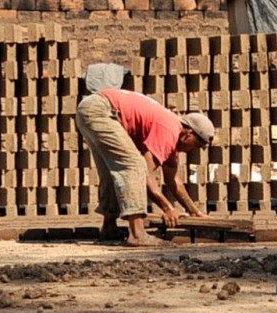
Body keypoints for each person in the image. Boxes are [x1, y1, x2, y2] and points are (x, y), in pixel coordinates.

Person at [75, 88, 214, 247]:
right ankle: (137, 234)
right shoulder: (170, 129)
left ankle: (109, 227)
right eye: (196, 145)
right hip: (101, 110)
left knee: (111, 171)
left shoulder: (171, 135)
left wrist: (195, 212)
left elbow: (172, 180)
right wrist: (167, 207)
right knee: (134, 165)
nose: (193, 151)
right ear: (188, 134)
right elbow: (145, 172)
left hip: (91, 108)